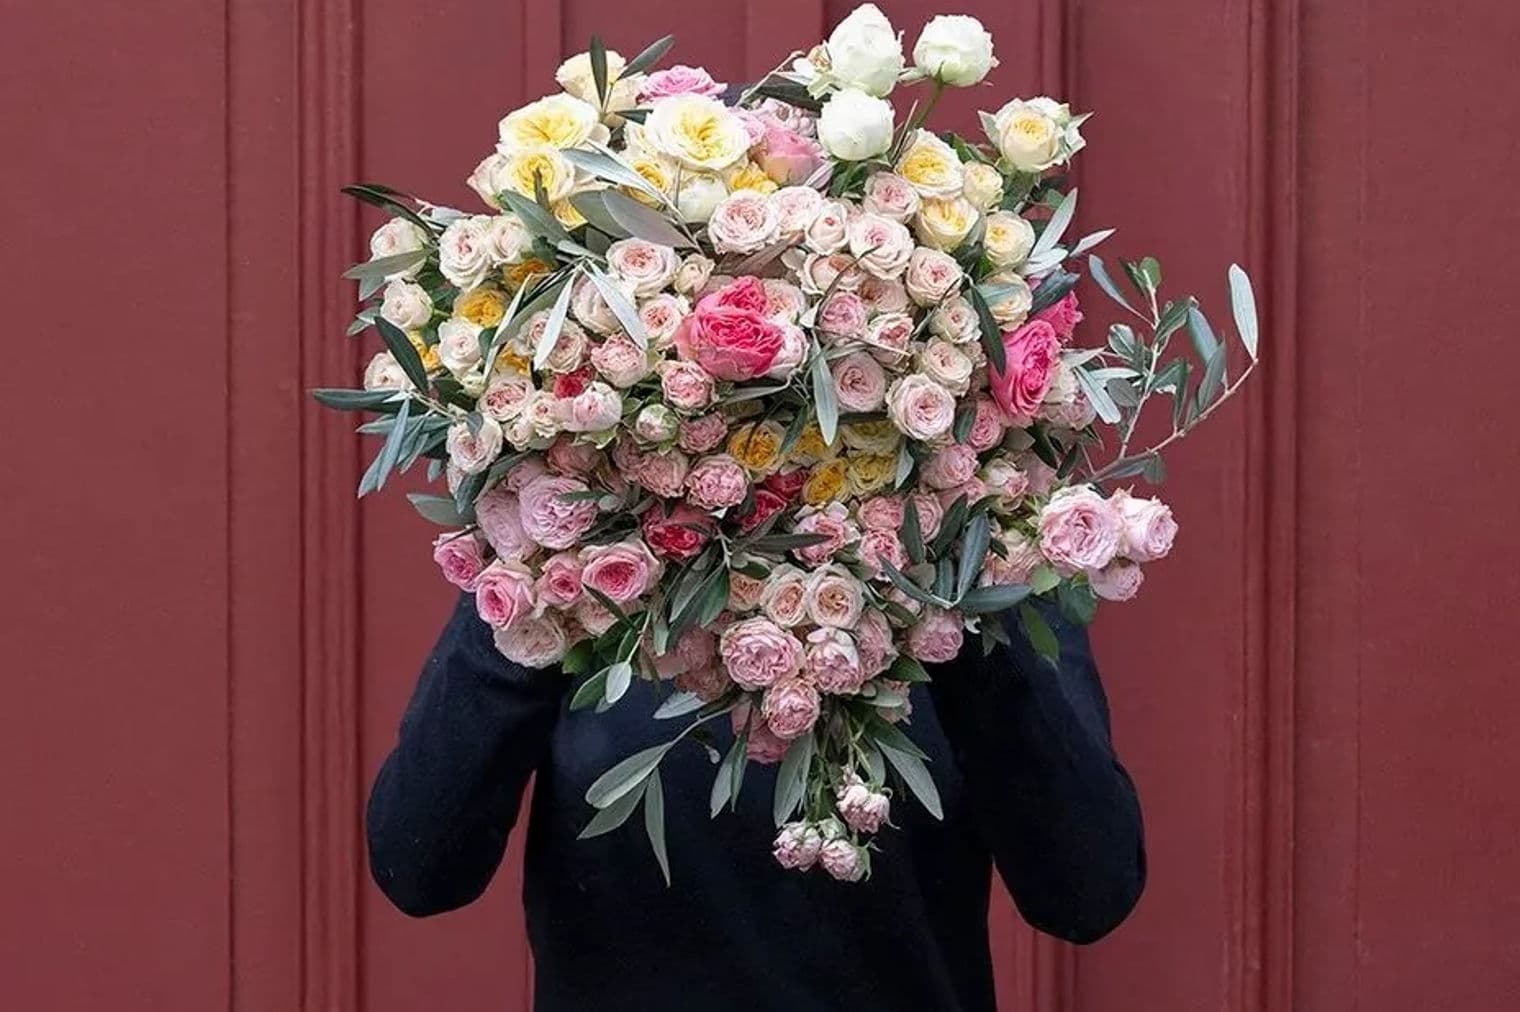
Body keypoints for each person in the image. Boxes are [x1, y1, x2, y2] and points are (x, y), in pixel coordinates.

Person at [367, 594, 1145, 1012]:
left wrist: (966, 588)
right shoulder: (588, 573)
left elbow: (1090, 891)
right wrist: (527, 585)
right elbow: (419, 866)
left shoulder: (966, 570)